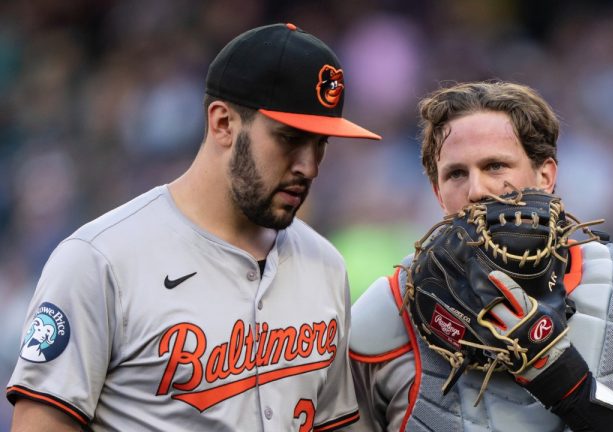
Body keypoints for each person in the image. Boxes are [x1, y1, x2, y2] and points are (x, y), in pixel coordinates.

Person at [5, 22, 380, 431]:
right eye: (290, 138)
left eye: (321, 144)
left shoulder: (325, 264)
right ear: (223, 124)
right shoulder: (100, 260)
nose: (309, 166)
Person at [348, 81, 613, 431]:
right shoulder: (386, 313)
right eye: (456, 174)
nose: (477, 190)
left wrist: (561, 377)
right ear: (437, 192)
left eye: (495, 166)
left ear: (546, 176)